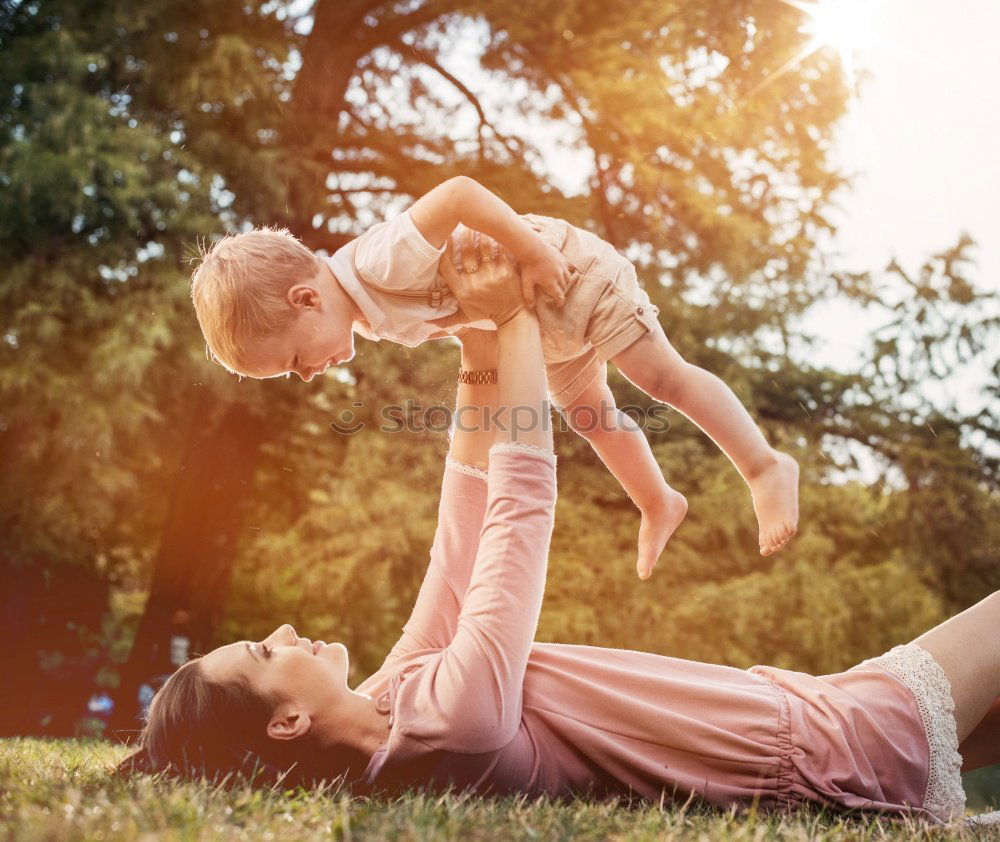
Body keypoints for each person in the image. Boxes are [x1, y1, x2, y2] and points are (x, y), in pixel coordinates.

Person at [125, 258, 1000, 828]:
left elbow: (458, 533)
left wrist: (472, 336)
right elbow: (517, 517)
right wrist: (514, 325)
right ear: (287, 720)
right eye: (264, 652)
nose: (281, 631)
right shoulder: (448, 724)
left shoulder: (400, 699)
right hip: (822, 746)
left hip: (795, 712)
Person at [188, 175, 800, 580]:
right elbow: (465, 322)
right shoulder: (368, 315)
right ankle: (658, 501)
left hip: (565, 271)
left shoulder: (377, 261)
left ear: (305, 300)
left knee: (662, 379)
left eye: (296, 361)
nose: (307, 375)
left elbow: (456, 194)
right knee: (593, 420)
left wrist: (531, 251)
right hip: (536, 318)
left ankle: (763, 466)